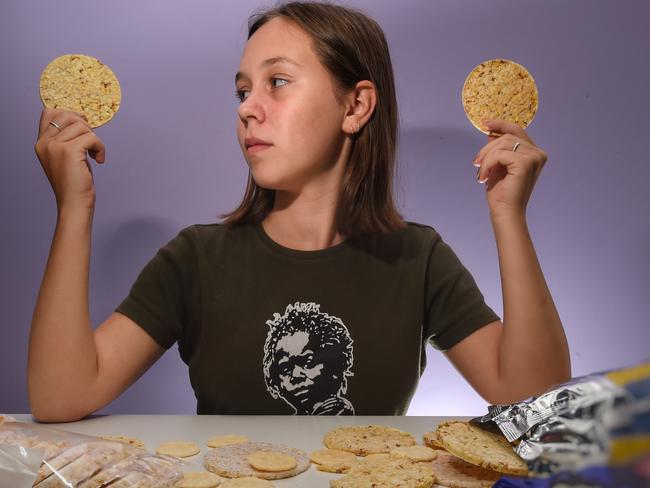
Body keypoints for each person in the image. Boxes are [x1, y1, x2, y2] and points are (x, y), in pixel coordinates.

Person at [28, 1, 571, 421]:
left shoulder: (417, 258)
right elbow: (59, 397)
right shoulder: (194, 260)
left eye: (277, 82)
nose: (248, 109)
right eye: (242, 92)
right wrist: (75, 207)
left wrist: (508, 215)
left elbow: (536, 400)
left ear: (355, 106)